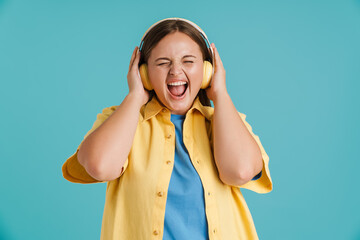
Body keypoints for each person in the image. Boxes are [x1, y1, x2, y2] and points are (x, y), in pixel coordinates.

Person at [62, 17, 273, 240]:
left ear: (207, 71)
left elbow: (240, 172)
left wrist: (220, 94)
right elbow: (100, 166)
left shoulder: (227, 122)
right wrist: (135, 96)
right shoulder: (121, 120)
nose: (175, 71)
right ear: (144, 74)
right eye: (163, 63)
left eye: (188, 61)